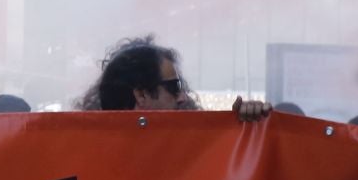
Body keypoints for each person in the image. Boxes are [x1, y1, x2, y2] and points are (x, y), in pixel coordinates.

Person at [76, 36, 269, 120]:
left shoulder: (198, 151)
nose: (183, 97)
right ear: (141, 95)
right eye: (175, 86)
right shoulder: (85, 157)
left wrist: (249, 129)